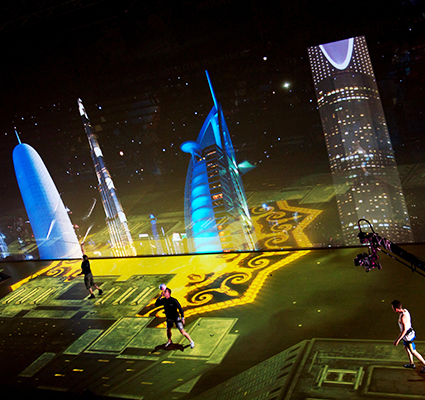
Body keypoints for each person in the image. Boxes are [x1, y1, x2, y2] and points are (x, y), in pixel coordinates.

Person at [391, 299, 425, 372]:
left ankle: (424, 364)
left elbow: (404, 331)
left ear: (396, 309)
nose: (392, 309)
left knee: (413, 351)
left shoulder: (403, 317)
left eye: (393, 308)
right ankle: (411, 363)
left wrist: (397, 340)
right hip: (408, 334)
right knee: (406, 348)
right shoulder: (405, 310)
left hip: (408, 337)